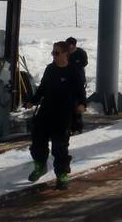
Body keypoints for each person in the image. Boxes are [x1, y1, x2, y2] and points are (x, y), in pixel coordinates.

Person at [26, 41, 87, 190]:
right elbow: (42, 88)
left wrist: (82, 104)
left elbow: (80, 91)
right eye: (53, 52)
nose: (53, 55)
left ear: (66, 54)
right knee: (37, 141)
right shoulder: (50, 69)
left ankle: (62, 174)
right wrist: (32, 101)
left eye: (56, 52)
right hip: (46, 111)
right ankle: (40, 166)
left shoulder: (74, 71)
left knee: (60, 146)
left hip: (63, 113)